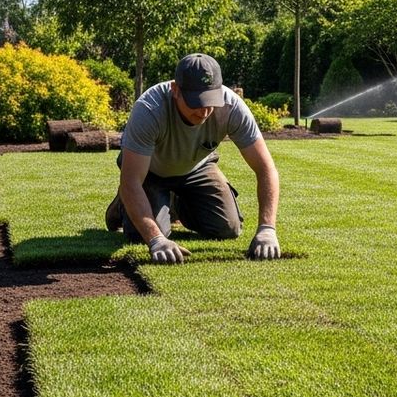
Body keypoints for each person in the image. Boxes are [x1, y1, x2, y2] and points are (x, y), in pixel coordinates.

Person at [105, 53, 280, 262]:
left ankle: (176, 203)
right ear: (175, 90)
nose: (204, 111)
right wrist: (156, 239)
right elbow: (132, 181)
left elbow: (266, 168)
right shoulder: (149, 109)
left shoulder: (232, 108)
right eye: (196, 102)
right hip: (150, 171)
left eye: (210, 101)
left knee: (227, 228)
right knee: (140, 235)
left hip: (197, 166)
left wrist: (267, 229)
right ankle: (122, 203)